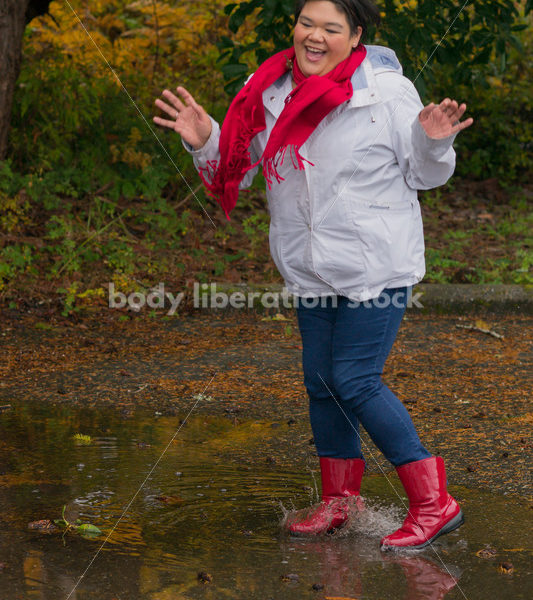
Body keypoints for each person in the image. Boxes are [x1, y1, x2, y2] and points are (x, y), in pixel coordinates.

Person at [154, 0, 473, 550]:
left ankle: (434, 503)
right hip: (309, 266)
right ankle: (340, 502)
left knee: (355, 379)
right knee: (322, 384)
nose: (315, 37)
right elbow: (240, 168)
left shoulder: (388, 92)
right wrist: (206, 137)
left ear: (356, 37)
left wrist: (432, 139)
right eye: (307, 23)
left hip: (375, 265)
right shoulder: (268, 87)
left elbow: (422, 173)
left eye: (331, 28)